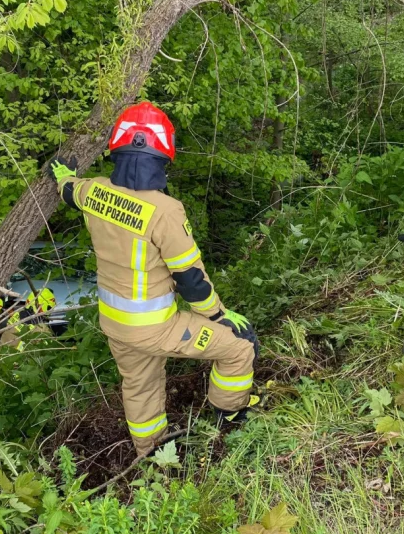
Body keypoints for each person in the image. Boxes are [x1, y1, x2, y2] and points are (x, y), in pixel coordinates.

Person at [49, 102, 259, 456]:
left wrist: (63, 177)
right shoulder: (165, 211)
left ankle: (153, 453)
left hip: (114, 323)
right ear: (163, 154)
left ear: (116, 148)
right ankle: (230, 415)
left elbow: (69, 191)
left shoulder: (94, 191)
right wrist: (221, 316)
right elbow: (191, 280)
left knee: (140, 385)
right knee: (240, 346)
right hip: (155, 327)